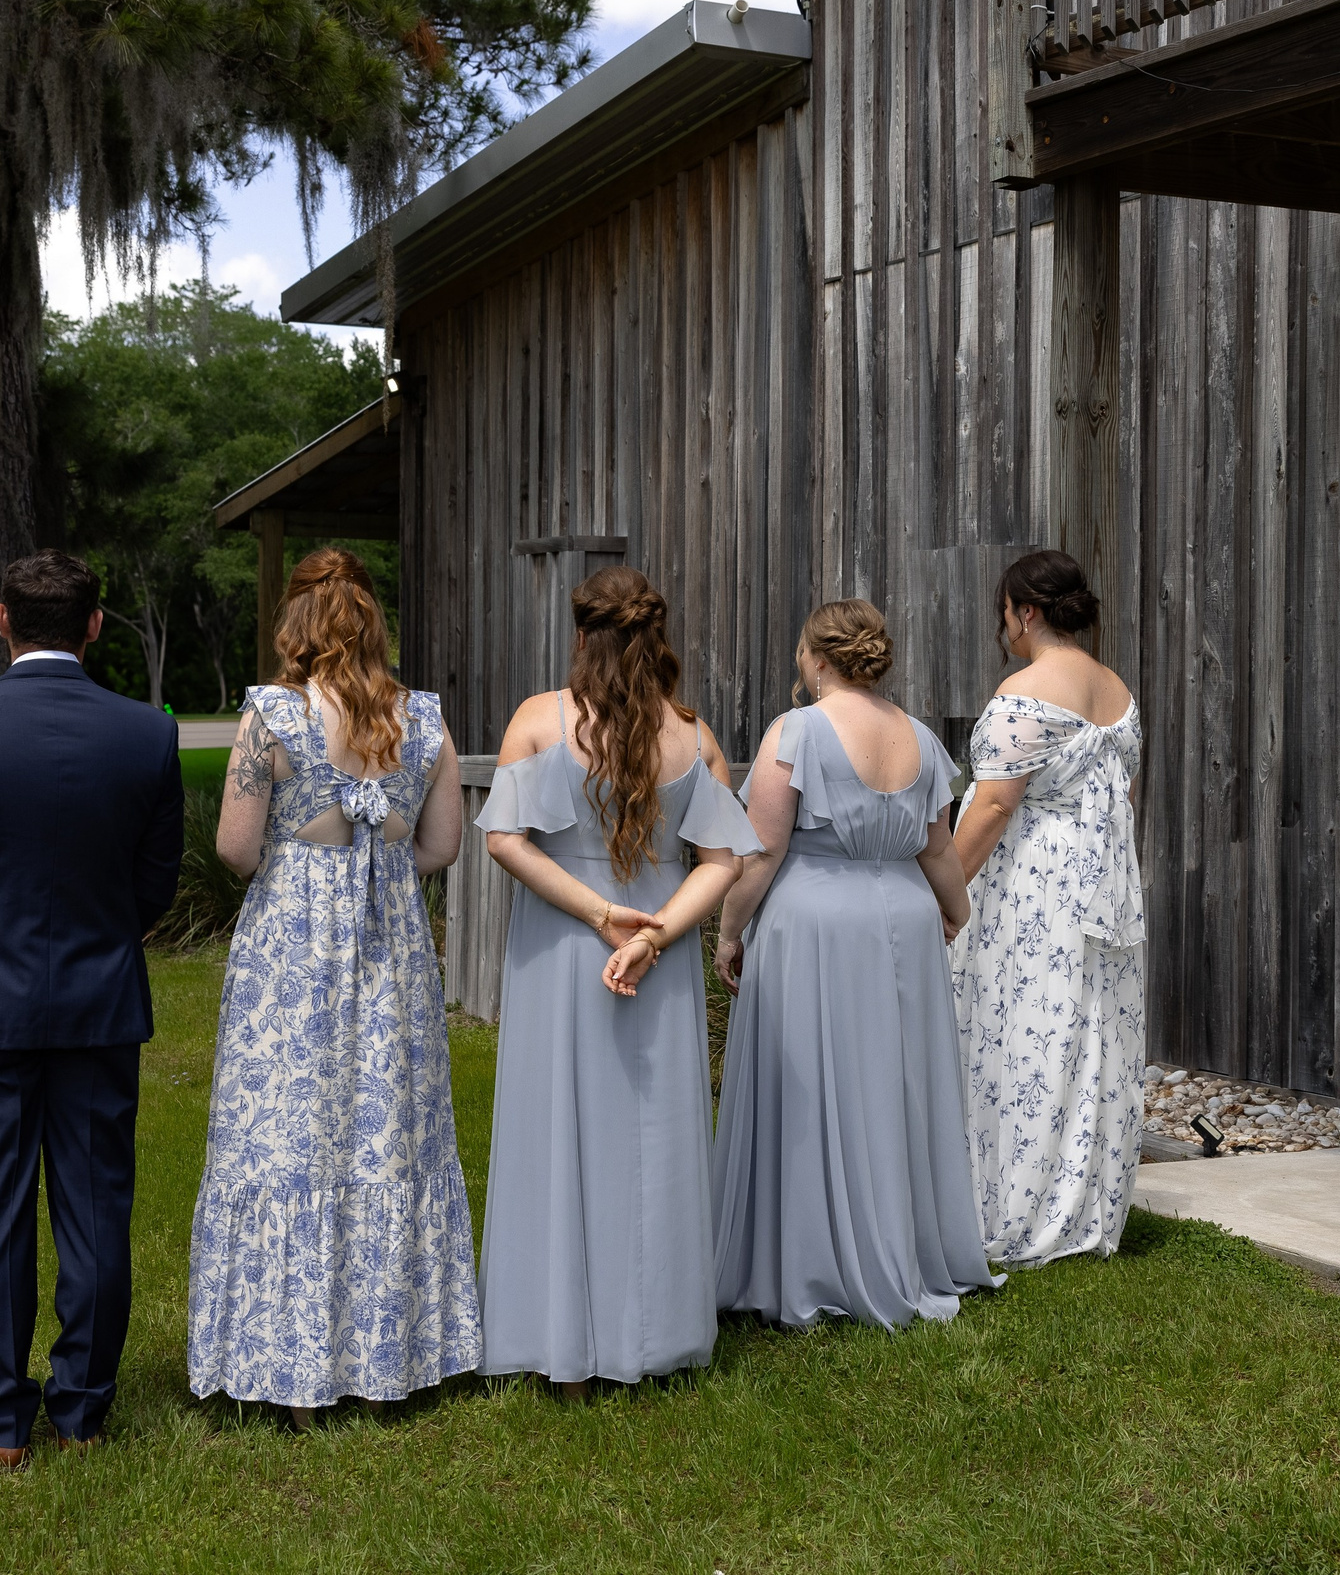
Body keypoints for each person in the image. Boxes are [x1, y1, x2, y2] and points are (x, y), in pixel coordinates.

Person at [0, 549, 184, 1468]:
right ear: (94, 626)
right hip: (99, 1006)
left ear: (2, 619)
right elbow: (154, 881)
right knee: (96, 1210)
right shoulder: (146, 734)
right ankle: (83, 1410)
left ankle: (0, 1422)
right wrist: (99, 942)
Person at [186, 548, 479, 1424]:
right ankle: (389, 1359)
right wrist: (377, 848)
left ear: (297, 628)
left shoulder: (271, 715)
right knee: (384, 1131)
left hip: (291, 955)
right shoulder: (421, 718)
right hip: (388, 950)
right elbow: (441, 848)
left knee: (287, 1133)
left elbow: (237, 849)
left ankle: (287, 1365)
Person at [475, 565, 758, 1391]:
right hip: (653, 959)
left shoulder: (539, 720)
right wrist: (659, 930)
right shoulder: (693, 735)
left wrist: (601, 916)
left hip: (569, 951)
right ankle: (651, 1335)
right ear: (655, 637)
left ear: (581, 634)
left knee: (554, 1131)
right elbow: (724, 860)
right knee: (652, 1137)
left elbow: (505, 841)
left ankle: (555, 1339)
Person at [711, 601, 999, 1328]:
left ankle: (810, 1261)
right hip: (901, 918)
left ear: (816, 659)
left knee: (811, 1081)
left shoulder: (798, 731)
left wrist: (728, 930)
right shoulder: (920, 738)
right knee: (891, 1084)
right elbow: (937, 846)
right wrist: (956, 911)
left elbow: (763, 849)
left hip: (816, 921)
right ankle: (900, 1248)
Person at [947, 549, 1145, 1267]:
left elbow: (995, 804)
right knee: (1086, 1032)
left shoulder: (1026, 691)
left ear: (1026, 612)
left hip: (1031, 889)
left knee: (1022, 1032)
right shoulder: (1115, 688)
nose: (1004, 627)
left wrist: (944, 894)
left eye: (1004, 613)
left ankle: (1013, 1205)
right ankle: (1086, 1201)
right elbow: (1119, 798)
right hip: (1099, 888)